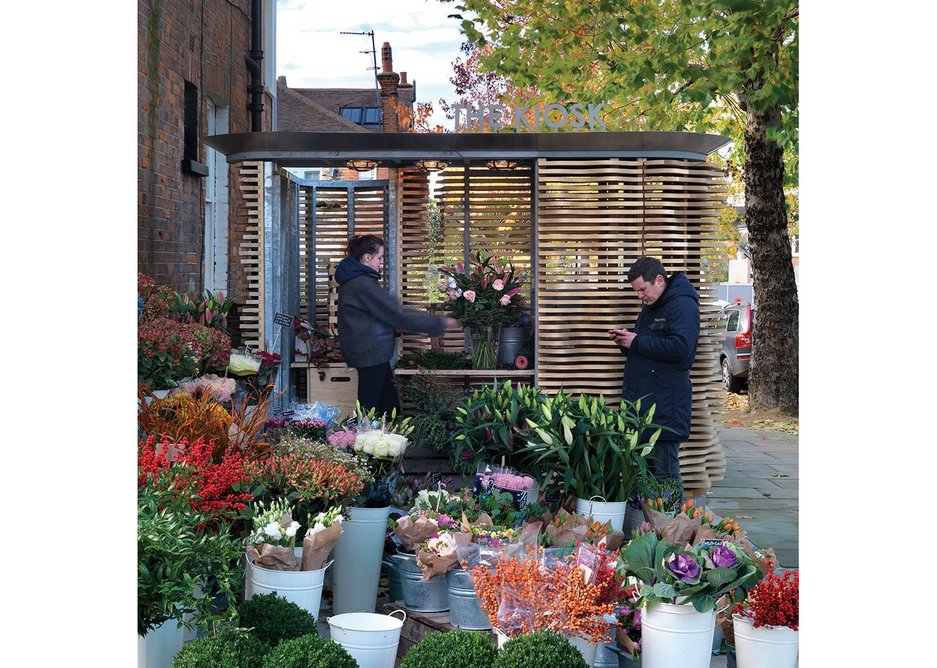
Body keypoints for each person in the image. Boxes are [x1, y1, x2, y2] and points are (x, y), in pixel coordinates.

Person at [336, 234, 458, 416]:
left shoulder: (358, 280)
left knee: (389, 407)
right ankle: (359, 441)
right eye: (380, 257)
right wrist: (440, 322)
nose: (382, 262)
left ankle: (388, 437)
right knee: (368, 411)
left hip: (372, 352)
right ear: (367, 258)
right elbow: (396, 314)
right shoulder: (362, 284)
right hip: (369, 353)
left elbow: (377, 314)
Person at [609, 256, 700, 496]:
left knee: (665, 473)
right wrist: (627, 342)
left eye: (642, 289)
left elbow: (682, 349)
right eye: (637, 291)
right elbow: (650, 347)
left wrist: (636, 341)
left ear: (659, 280)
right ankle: (653, 528)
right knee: (649, 475)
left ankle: (674, 529)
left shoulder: (682, 305)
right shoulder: (652, 307)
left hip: (664, 408)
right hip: (646, 407)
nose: (640, 296)